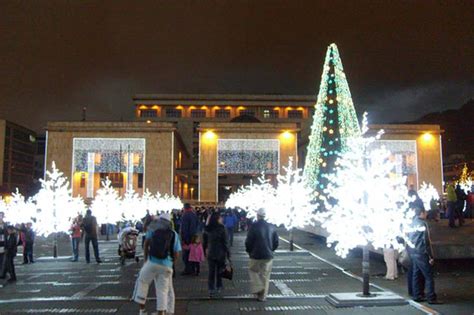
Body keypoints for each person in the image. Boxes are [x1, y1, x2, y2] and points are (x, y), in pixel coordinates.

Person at [132, 212, 181, 315]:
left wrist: (146, 260)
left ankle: (142, 310)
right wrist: (171, 264)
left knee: (142, 282)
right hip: (166, 265)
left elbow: (146, 244)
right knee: (162, 290)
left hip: (152, 262)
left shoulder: (153, 229)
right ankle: (161, 313)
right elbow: (176, 253)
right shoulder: (174, 234)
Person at [407, 206, 443, 304]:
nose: (426, 214)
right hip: (421, 252)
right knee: (429, 276)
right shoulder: (423, 224)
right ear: (421, 213)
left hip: (413, 252)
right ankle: (431, 297)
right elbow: (426, 241)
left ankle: (417, 295)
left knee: (416, 274)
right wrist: (431, 256)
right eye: (425, 212)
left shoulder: (411, 223)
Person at [245, 208, 279, 302]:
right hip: (268, 255)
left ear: (258, 216)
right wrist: (271, 250)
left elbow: (248, 241)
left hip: (255, 255)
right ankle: (263, 296)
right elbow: (276, 242)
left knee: (253, 271)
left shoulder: (253, 226)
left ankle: (258, 287)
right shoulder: (272, 227)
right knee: (265, 275)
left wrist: (249, 251)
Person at [203, 212, 230, 298]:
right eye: (220, 218)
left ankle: (211, 289)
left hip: (211, 252)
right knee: (219, 270)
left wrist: (204, 251)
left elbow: (205, 242)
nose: (221, 219)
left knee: (211, 272)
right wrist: (228, 253)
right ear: (217, 219)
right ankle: (219, 286)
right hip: (221, 252)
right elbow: (226, 242)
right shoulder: (222, 228)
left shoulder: (207, 229)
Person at [180, 203, 199, 275]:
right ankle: (193, 269)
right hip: (194, 237)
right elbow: (197, 224)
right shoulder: (194, 215)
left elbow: (184, 228)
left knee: (186, 255)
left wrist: (185, 239)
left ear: (184, 208)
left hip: (188, 237)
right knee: (193, 254)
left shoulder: (185, 215)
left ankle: (188, 269)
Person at [0, 212, 7, 278]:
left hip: (3, 244)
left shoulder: (5, 225)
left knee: (3, 260)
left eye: (1, 216)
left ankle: (3, 273)